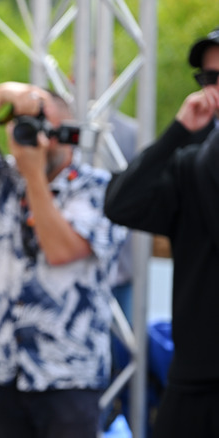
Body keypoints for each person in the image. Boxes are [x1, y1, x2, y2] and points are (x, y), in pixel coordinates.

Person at [0, 81, 127, 438]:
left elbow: (61, 251)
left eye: (41, 123)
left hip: (67, 373)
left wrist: (34, 175)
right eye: (23, 124)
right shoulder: (5, 177)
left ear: (66, 132)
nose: (31, 134)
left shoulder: (99, 187)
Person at [103, 26, 219, 438]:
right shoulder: (193, 160)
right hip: (195, 376)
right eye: (210, 79)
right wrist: (177, 131)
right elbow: (120, 203)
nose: (217, 89)